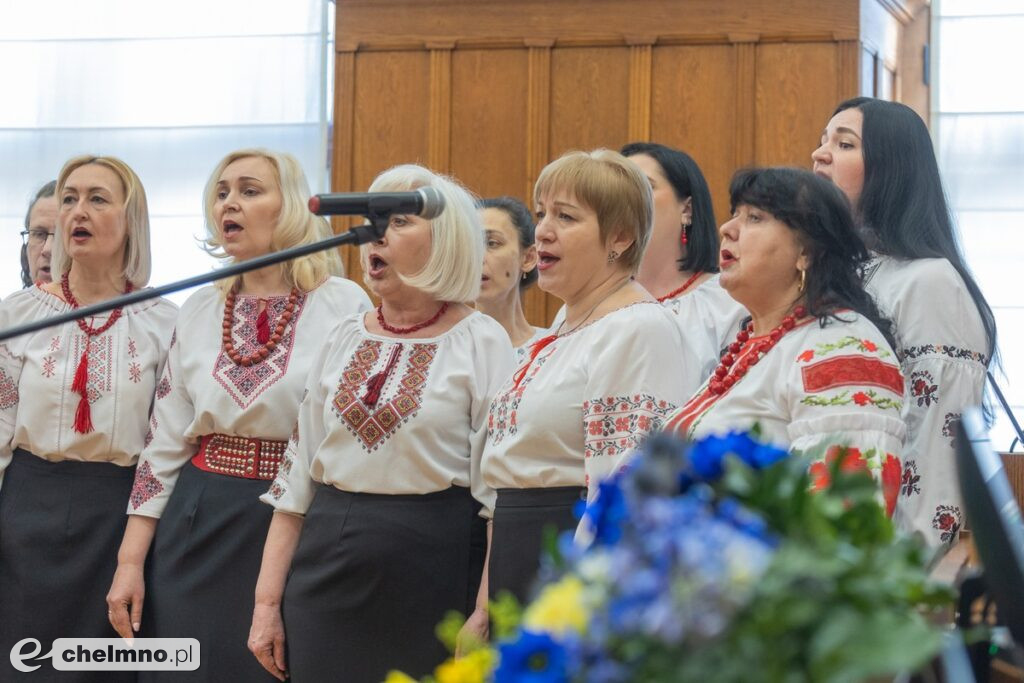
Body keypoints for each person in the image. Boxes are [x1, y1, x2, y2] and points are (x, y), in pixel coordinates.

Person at [106, 149, 371, 682]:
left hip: (300, 520)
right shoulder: (200, 307)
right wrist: (130, 562)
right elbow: (163, 443)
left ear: (291, 205)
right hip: (199, 517)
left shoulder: (344, 304)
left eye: (250, 190)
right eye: (222, 192)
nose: (230, 202)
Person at [249, 164, 514, 683]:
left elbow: (499, 498)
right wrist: (264, 605)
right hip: (326, 562)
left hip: (434, 571)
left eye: (396, 221)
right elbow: (295, 483)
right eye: (371, 220)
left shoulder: (482, 341)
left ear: (447, 238)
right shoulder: (343, 335)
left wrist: (483, 613)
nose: (376, 235)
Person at [479, 149, 698, 608]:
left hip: (567, 552)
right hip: (517, 551)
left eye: (566, 216)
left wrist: (583, 595)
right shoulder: (568, 321)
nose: (542, 230)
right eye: (541, 214)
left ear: (618, 237)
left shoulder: (637, 328)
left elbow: (624, 483)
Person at [0, 155, 177, 681]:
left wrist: (132, 557)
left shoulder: (165, 323)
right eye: (70, 197)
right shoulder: (19, 314)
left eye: (97, 199)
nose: (78, 210)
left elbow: (163, 447)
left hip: (117, 520)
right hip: (25, 511)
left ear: (132, 221)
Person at [663, 167, 905, 517]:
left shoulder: (841, 348)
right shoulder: (755, 343)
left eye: (755, 217)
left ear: (806, 251)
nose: (727, 229)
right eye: (734, 215)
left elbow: (843, 519)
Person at [812, 97, 997, 550]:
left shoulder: (929, 281)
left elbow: (935, 449)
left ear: (889, 169)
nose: (819, 154)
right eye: (822, 141)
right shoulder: (828, 272)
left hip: (881, 565)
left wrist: (912, 586)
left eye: (844, 143)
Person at [622, 142, 747, 375]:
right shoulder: (592, 302)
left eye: (642, 187)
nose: (624, 200)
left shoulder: (728, 304)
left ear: (687, 209)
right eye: (616, 190)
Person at [474, 196, 545, 362]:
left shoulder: (551, 349)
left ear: (528, 258)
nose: (476, 257)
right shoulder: (449, 348)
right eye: (470, 244)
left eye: (491, 243)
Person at [20, 180, 57, 287]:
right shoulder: (10, 303)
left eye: (60, 237)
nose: (48, 249)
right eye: (39, 234)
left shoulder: (106, 302)